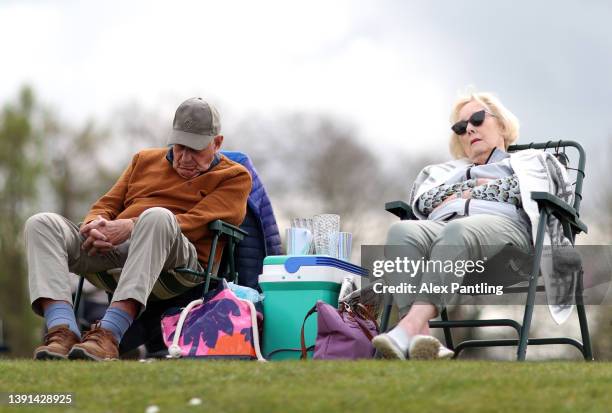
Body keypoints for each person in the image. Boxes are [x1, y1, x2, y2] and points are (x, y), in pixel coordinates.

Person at [25, 97, 252, 361]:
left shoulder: (234, 176)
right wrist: (95, 225)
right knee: (41, 223)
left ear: (217, 143)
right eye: (179, 147)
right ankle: (61, 330)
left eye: (196, 149)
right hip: (116, 251)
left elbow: (199, 220)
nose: (185, 157)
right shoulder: (143, 160)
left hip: (179, 260)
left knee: (156, 217)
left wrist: (131, 225)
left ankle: (108, 334)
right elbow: (106, 205)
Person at [373, 91, 561, 360]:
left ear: (502, 123)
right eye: (461, 127)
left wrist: (465, 193)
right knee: (401, 232)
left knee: (457, 231)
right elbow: (425, 200)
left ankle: (408, 329)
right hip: (447, 233)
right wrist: (474, 186)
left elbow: (524, 189)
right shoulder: (446, 173)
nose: (470, 128)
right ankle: (420, 339)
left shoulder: (526, 163)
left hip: (506, 234)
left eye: (477, 118)